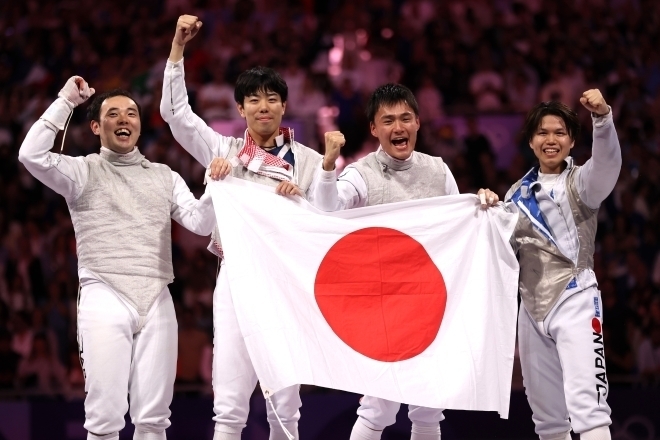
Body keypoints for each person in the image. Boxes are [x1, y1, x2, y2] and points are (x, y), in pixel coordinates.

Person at [18, 77, 215, 440]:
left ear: (140, 124)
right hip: (104, 294)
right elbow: (30, 155)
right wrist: (65, 101)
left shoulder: (164, 176)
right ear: (96, 126)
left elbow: (201, 224)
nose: (124, 119)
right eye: (112, 114)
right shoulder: (81, 171)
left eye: (131, 113)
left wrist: (217, 187)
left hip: (157, 298)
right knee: (105, 419)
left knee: (154, 420)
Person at [160, 15, 324, 440]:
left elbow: (328, 217)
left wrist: (302, 201)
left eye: (271, 98)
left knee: (286, 407)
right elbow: (176, 115)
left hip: (287, 281)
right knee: (229, 404)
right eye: (253, 100)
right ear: (240, 109)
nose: (263, 106)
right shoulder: (225, 152)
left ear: (284, 106)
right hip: (236, 278)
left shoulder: (308, 160)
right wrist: (178, 48)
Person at [310, 83, 499, 440]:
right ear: (374, 128)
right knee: (378, 407)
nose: (398, 128)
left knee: (429, 407)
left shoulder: (438, 170)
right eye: (388, 121)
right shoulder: (359, 174)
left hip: (428, 303)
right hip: (382, 306)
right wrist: (327, 166)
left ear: (418, 123)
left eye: (405, 119)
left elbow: (459, 226)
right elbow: (325, 211)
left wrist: (483, 202)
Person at [504, 90, 621, 440]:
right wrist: (485, 206)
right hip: (531, 313)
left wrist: (602, 119)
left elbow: (607, 165)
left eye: (559, 133)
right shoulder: (514, 195)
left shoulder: (582, 183)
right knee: (547, 419)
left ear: (571, 141)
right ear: (531, 141)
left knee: (589, 410)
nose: (550, 139)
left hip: (576, 300)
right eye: (542, 132)